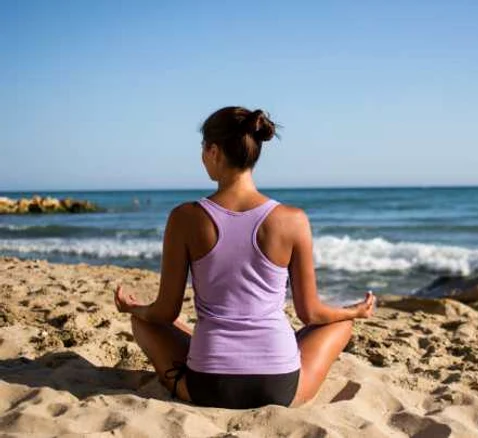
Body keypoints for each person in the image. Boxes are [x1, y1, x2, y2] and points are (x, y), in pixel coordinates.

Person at [113, 106, 375, 409]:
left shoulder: (185, 217)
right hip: (278, 387)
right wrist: (353, 312)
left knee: (143, 322)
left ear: (213, 151)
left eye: (202, 149)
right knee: (340, 324)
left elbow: (165, 312)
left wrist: (134, 308)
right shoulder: (293, 219)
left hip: (208, 385)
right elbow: (311, 314)